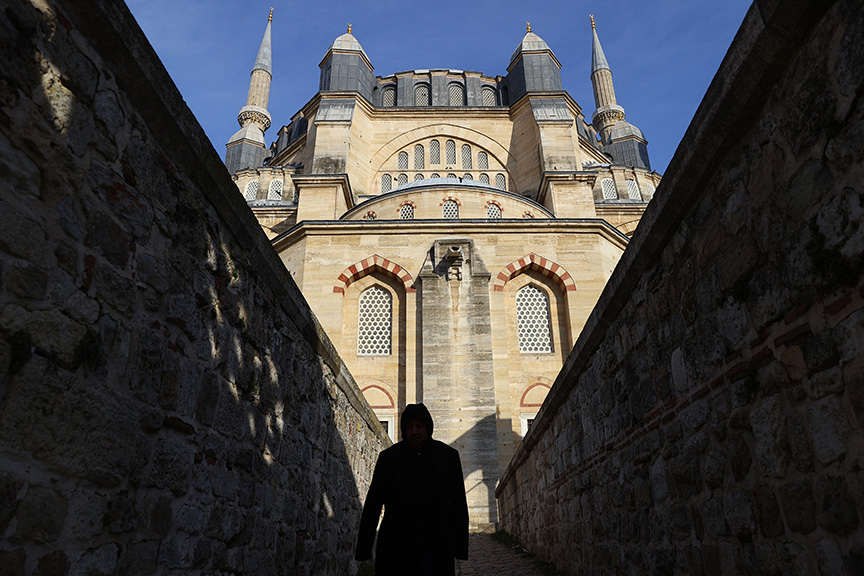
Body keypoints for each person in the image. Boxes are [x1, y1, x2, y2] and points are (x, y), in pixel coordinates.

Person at [355, 403, 469, 575]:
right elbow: (373, 504)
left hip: (436, 543)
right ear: (403, 429)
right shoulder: (388, 459)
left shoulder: (447, 457)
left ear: (427, 428)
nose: (414, 431)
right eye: (410, 427)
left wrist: (460, 547)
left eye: (419, 426)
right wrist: (364, 548)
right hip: (397, 543)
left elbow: (458, 504)